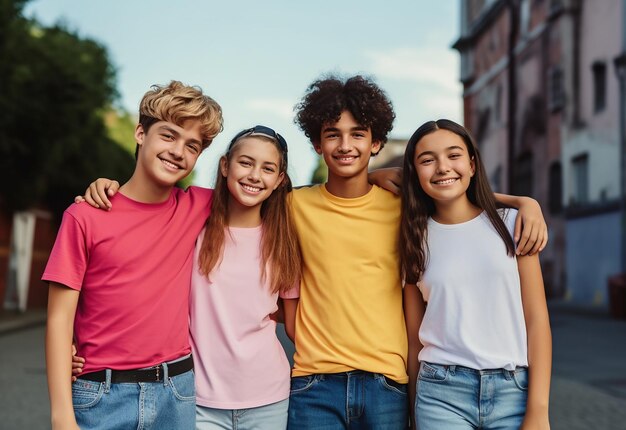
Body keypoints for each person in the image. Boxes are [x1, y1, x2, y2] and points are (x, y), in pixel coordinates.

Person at [284, 75, 548, 429]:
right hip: (333, 382)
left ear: (376, 141)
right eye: (333, 134)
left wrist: (524, 202)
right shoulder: (299, 206)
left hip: (403, 382)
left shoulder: (416, 215)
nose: (346, 144)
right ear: (317, 142)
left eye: (358, 133)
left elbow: (454, 192)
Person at [43, 81, 223, 430]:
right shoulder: (85, 216)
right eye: (168, 136)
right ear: (140, 133)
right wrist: (61, 416)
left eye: (192, 146)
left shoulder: (198, 206)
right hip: (101, 395)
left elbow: (280, 195)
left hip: (177, 393)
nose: (178, 151)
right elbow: (58, 321)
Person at [401, 119, 552, 430]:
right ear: (414, 174)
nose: (442, 167)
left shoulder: (513, 224)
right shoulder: (413, 239)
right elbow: (414, 340)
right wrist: (413, 416)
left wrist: (539, 410)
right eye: (427, 160)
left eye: (453, 155)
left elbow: (537, 321)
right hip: (440, 393)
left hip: (513, 391)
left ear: (472, 164)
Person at [191, 126, 300, 429]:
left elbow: (293, 325)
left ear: (279, 180)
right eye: (245, 162)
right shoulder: (193, 228)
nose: (255, 175)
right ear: (225, 165)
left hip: (269, 397)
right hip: (199, 399)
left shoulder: (283, 241)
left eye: (268, 168)